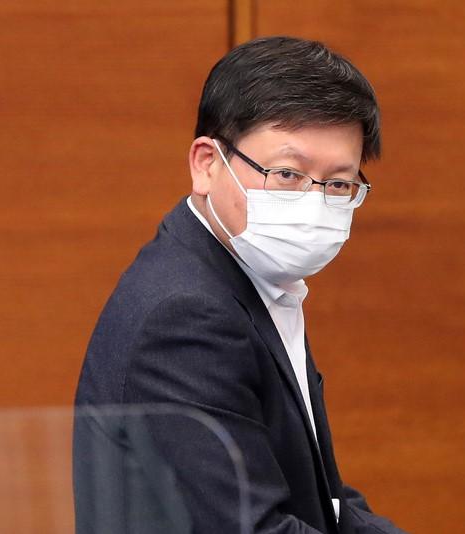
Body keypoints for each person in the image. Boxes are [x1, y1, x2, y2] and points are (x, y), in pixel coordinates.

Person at [74, 36, 406, 534]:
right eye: (287, 174)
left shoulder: (249, 276)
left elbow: (323, 499)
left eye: (338, 183)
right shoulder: (186, 316)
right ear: (207, 163)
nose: (313, 203)